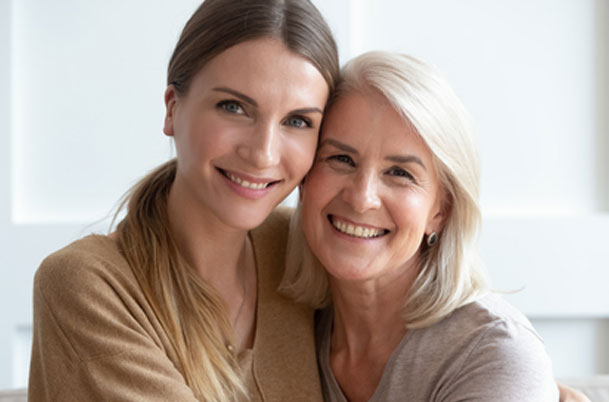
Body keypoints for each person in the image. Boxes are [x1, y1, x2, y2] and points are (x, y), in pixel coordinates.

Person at [27, 0, 338, 401]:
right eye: (234, 107)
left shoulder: (301, 250)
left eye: (297, 121)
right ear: (173, 109)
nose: (263, 153)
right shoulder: (87, 284)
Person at [280, 51, 563, 401]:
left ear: (441, 210)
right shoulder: (281, 321)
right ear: (305, 178)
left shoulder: (494, 353)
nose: (361, 198)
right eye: (341, 159)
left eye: (399, 173)